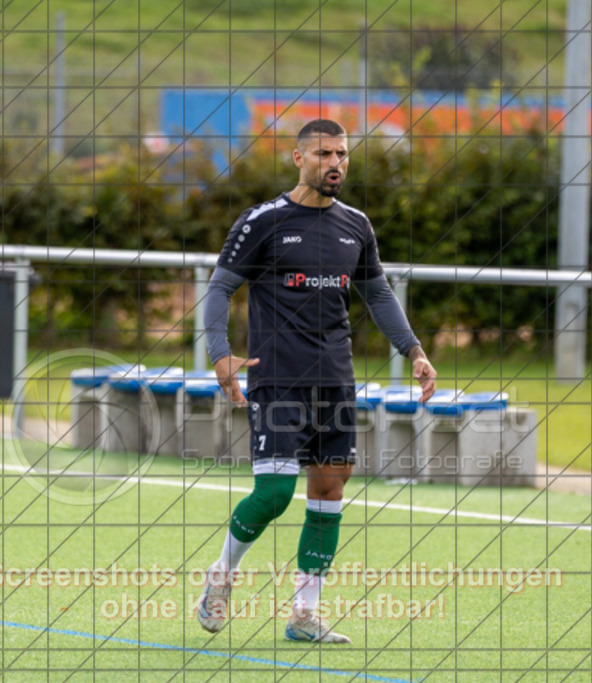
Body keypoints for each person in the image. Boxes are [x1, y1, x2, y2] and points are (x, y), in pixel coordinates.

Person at [195, 119, 437, 644]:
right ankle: (221, 576)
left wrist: (413, 349)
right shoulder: (263, 221)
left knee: (329, 490)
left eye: (343, 154)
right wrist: (219, 354)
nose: (336, 164)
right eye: (325, 153)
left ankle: (305, 613)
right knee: (276, 493)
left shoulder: (357, 225)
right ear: (298, 158)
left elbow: (377, 295)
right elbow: (218, 291)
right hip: (277, 378)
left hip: (335, 382)